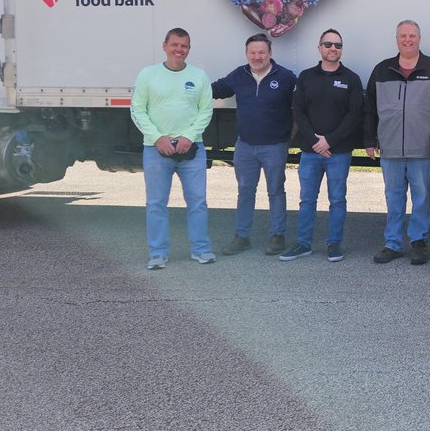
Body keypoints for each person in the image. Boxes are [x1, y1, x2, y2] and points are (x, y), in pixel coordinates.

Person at [364, 20, 430, 265]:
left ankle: (418, 242)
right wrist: (370, 140)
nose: (408, 40)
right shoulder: (382, 70)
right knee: (393, 196)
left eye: (412, 36)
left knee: (421, 196)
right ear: (397, 39)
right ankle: (392, 243)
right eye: (403, 36)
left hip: (423, 147)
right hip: (389, 146)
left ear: (419, 39)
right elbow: (369, 108)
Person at [131, 27, 214, 269]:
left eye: (184, 46)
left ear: (189, 49)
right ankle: (158, 253)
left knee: (198, 202)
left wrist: (189, 136)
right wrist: (157, 138)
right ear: (164, 46)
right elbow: (137, 109)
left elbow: (205, 110)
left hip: (192, 150)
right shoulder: (148, 75)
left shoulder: (199, 76)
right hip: (156, 150)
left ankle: (201, 249)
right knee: (156, 203)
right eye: (175, 45)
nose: (179, 50)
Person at [281, 29, 364, 262]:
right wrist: (315, 141)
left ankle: (334, 244)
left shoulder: (351, 79)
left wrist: (329, 140)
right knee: (307, 199)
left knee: (337, 200)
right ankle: (303, 243)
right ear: (319, 48)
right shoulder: (306, 77)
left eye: (337, 45)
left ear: (341, 49)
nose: (333, 49)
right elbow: (299, 111)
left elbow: (354, 115)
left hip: (338, 152)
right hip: (310, 151)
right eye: (328, 44)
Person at [211, 34, 297, 257]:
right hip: (245, 146)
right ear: (246, 54)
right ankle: (242, 237)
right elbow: (214, 90)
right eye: (252, 53)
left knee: (276, 191)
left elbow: (299, 110)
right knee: (245, 191)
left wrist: (289, 138)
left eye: (261, 52)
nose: (257, 57)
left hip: (275, 146)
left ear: (270, 53)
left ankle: (277, 235)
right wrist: (187, 85)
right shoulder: (239, 75)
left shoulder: (286, 77)